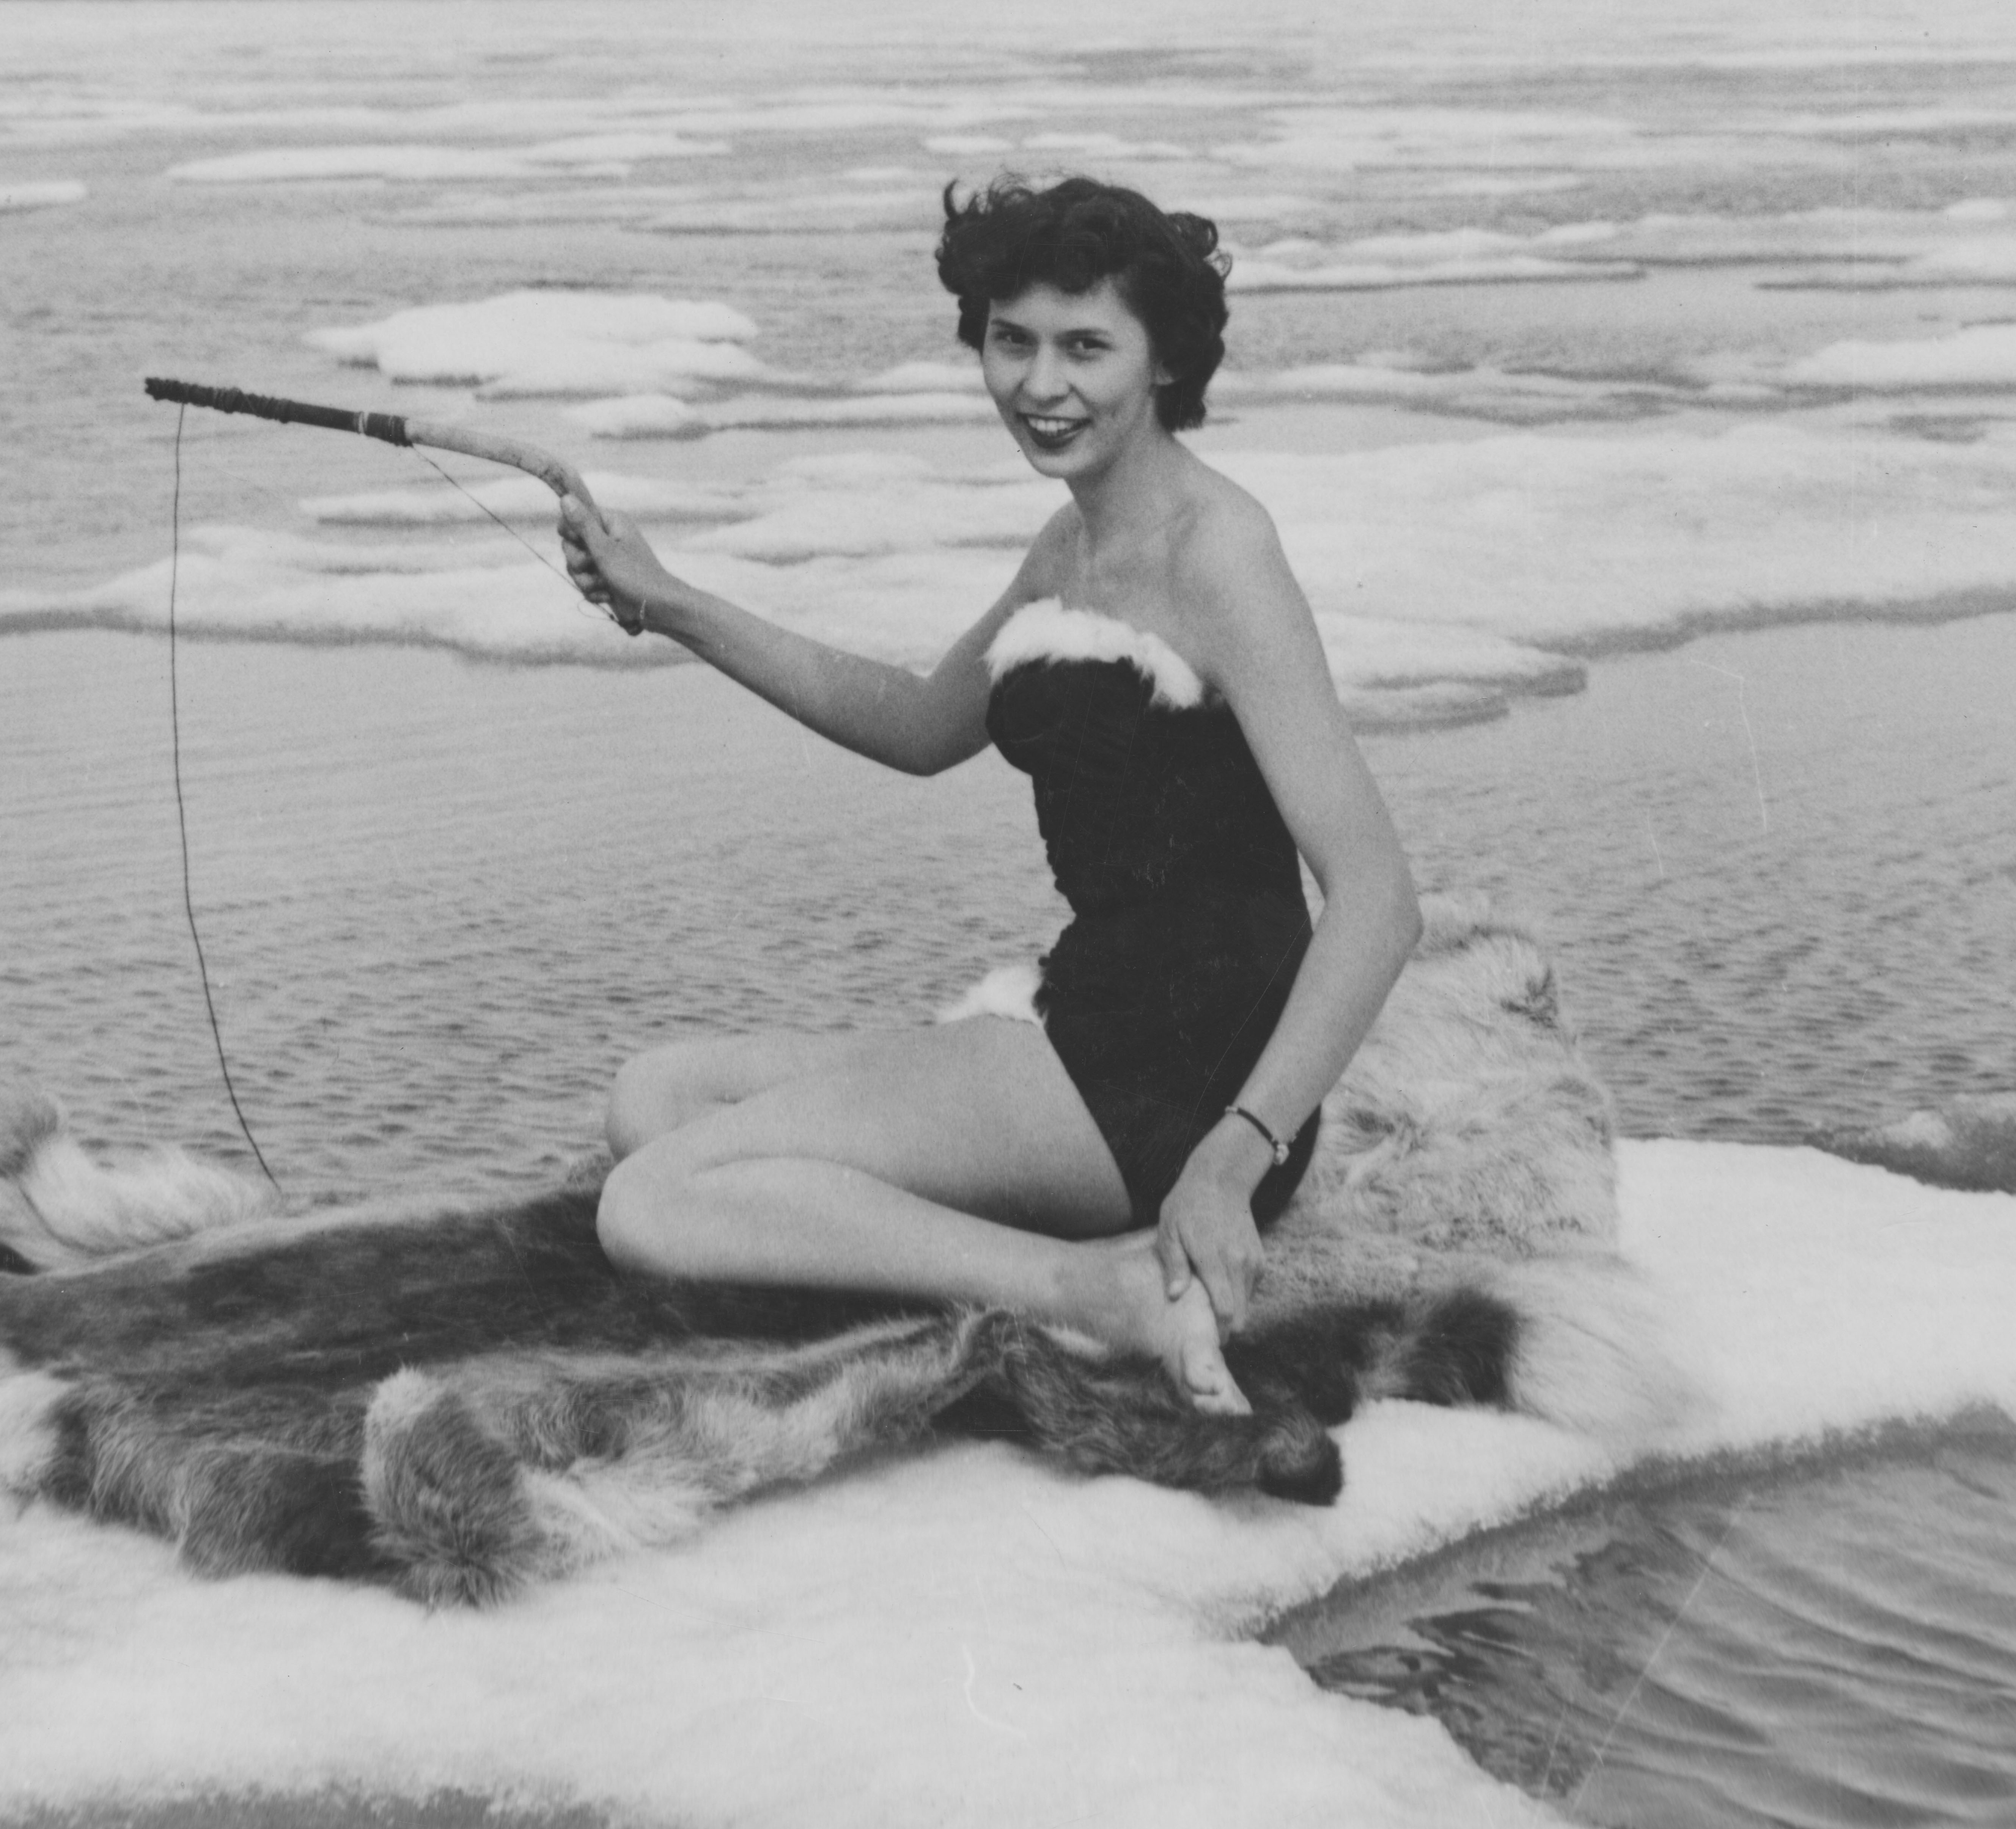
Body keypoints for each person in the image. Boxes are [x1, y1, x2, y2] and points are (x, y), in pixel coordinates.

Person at [557, 176, 1421, 1418]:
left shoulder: (1217, 553)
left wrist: (1233, 1159)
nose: (1039, 385)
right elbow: (918, 727)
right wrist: (668, 601)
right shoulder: (1068, 546)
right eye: (1010, 342)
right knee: (657, 1099)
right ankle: (1039, 1256)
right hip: (1087, 1019)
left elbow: (1379, 900)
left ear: (1166, 359)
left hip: (1180, 1078)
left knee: (649, 1206)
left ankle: (1093, 1290)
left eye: (1085, 348)